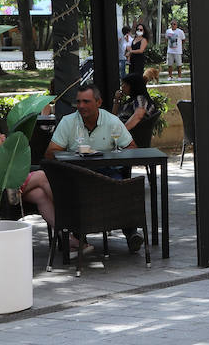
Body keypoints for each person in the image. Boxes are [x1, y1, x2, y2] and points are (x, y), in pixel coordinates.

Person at [45, 84, 142, 253]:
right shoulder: (68, 122)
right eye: (78, 102)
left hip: (108, 173)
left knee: (123, 189)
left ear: (98, 102)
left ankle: (131, 233)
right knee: (72, 192)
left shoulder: (112, 122)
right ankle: (79, 237)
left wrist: (114, 156)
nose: (81, 106)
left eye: (86, 102)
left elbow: (131, 148)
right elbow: (50, 154)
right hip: (77, 175)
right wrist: (71, 156)